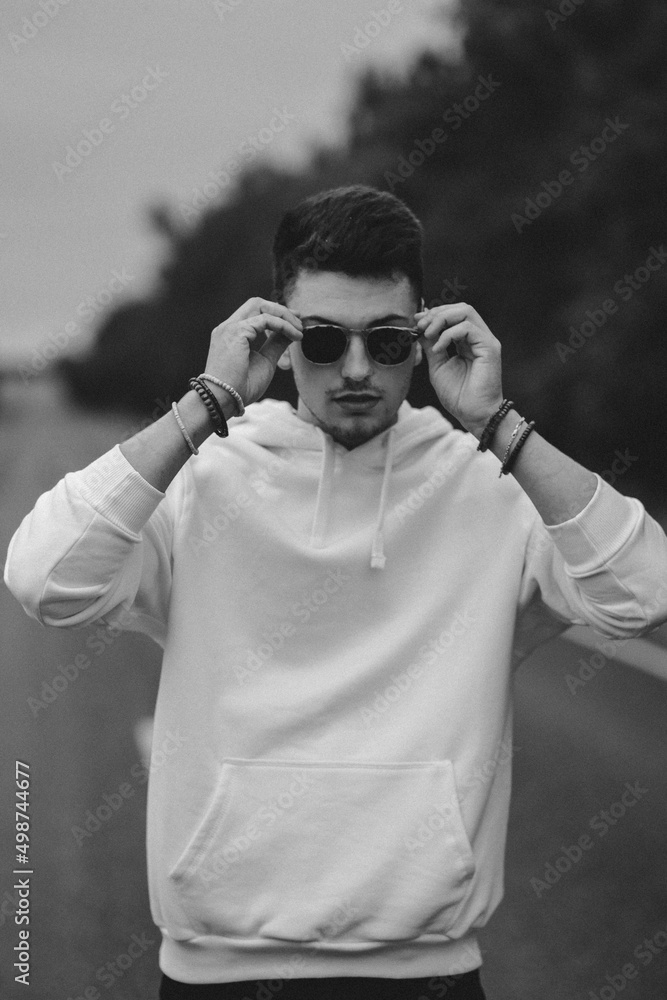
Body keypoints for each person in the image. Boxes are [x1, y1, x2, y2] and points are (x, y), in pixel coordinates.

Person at [5, 184, 667, 1000]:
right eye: (322, 339)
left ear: (423, 334)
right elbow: (44, 579)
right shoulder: (201, 480)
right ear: (279, 338)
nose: (355, 369)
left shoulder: (489, 485)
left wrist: (496, 422)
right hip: (220, 970)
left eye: (386, 341)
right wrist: (206, 403)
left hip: (426, 967)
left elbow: (644, 595)